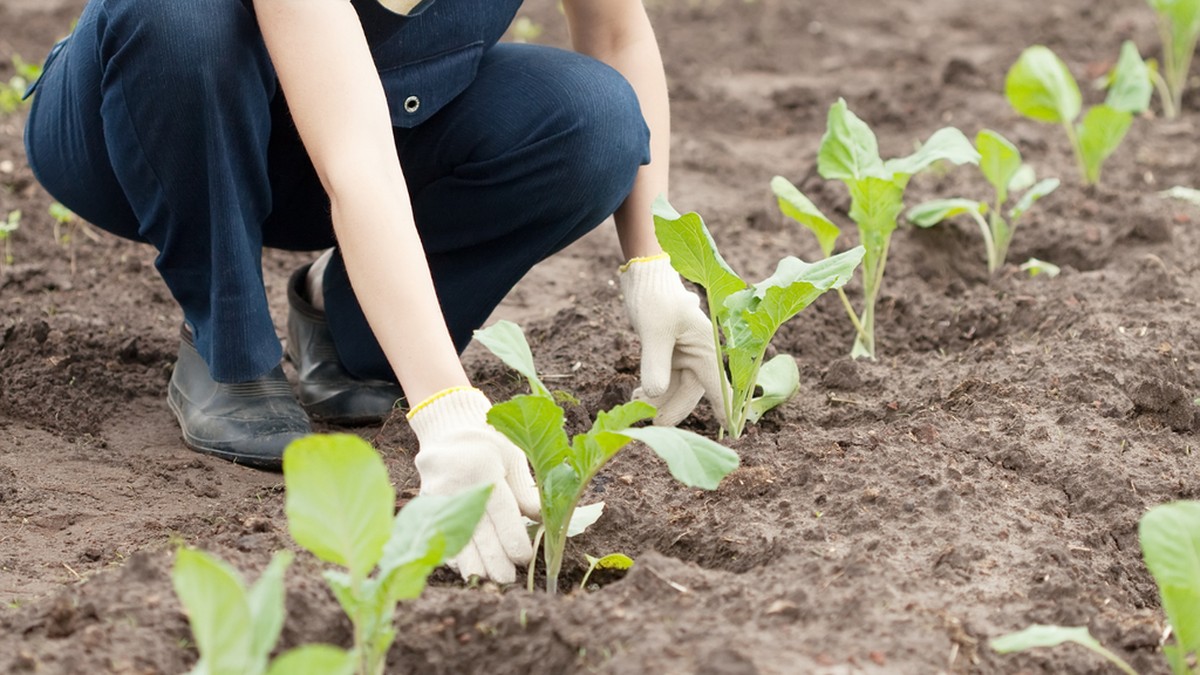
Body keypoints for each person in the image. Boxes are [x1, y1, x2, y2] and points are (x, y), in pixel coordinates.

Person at [23, 0, 725, 583]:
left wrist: (652, 264)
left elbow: (618, 33)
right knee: (181, 13)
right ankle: (226, 338)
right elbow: (354, 161)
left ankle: (343, 315)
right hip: (147, 114)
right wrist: (449, 412)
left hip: (372, 120)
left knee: (592, 119)